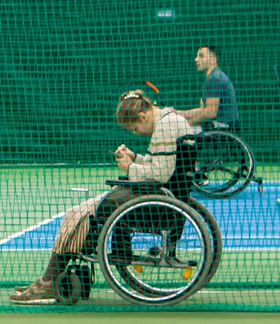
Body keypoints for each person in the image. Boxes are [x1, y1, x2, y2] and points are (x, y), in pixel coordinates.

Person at [10, 91, 195, 305]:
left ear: (143, 117)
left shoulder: (165, 125)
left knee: (81, 214)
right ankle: (49, 279)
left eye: (134, 128)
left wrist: (130, 167)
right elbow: (161, 166)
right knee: (88, 208)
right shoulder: (171, 120)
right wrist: (135, 157)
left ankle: (49, 282)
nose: (136, 133)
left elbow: (161, 174)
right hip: (168, 197)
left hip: (160, 203)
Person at [182, 43, 238, 132]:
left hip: (224, 132)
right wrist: (178, 113)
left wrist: (189, 122)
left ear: (213, 60)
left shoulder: (214, 80)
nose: (196, 59)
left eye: (201, 56)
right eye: (196, 56)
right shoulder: (215, 77)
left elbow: (211, 112)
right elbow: (203, 110)